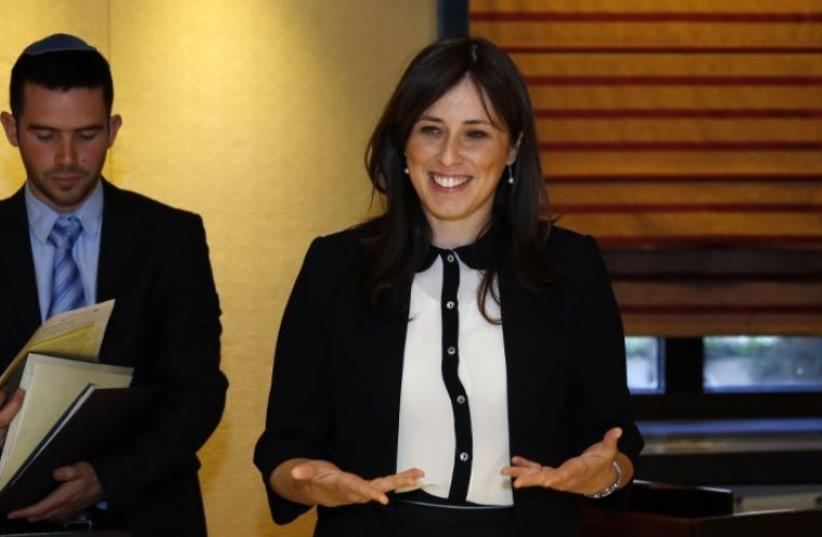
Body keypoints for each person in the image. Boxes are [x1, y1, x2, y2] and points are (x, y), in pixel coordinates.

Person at [254, 36, 643, 537]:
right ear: (403, 144)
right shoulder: (335, 267)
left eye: (476, 134)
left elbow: (616, 445)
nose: (449, 156)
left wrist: (603, 476)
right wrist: (307, 483)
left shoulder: (571, 266)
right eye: (430, 130)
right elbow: (285, 452)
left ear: (513, 148)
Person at [0, 34, 227, 536]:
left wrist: (108, 479)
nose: (65, 158)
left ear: (114, 129)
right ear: (11, 129)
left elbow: (198, 391)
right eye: (44, 135)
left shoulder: (171, 237)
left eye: (86, 135)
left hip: (146, 514)